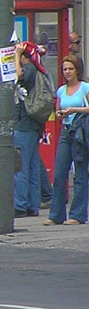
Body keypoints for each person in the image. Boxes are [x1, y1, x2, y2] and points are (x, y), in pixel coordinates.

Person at [44, 54, 89, 226]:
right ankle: (56, 215)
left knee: (80, 173)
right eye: (65, 69)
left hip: (81, 132)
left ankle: (77, 215)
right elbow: (57, 112)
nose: (68, 72)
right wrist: (61, 114)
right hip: (66, 132)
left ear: (77, 70)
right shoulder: (61, 90)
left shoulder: (85, 88)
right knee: (59, 173)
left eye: (71, 69)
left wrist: (74, 110)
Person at [14, 41, 47, 218]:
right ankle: (33, 205)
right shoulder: (37, 69)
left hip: (24, 125)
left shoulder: (29, 69)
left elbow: (19, 74)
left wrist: (17, 55)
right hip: (33, 126)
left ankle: (20, 204)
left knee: (20, 166)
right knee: (33, 166)